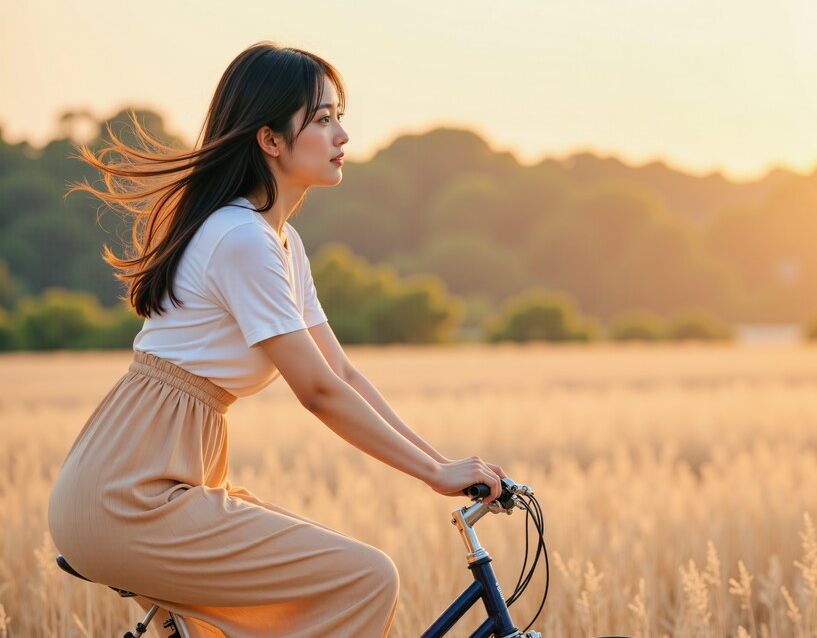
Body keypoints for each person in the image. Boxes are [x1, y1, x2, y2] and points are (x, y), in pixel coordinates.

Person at [47, 41, 505, 638]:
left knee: (336, 581)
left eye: (339, 115)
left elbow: (341, 375)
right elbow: (315, 390)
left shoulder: (280, 243)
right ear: (269, 139)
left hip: (163, 479)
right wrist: (431, 474)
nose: (341, 134)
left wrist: (440, 463)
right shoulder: (241, 239)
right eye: (320, 119)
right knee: (364, 578)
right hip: (130, 494)